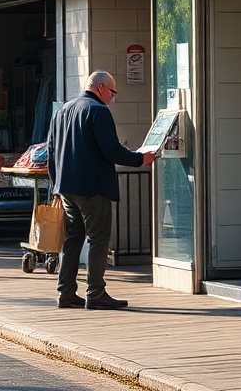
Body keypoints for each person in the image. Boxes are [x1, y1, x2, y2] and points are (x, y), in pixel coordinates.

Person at [47, 70, 157, 310]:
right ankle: (95, 293)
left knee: (73, 239)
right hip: (93, 187)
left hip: (66, 187)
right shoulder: (97, 111)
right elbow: (111, 150)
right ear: (100, 88)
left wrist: (55, 184)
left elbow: (51, 150)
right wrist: (141, 159)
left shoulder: (63, 110)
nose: (113, 97)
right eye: (112, 92)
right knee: (98, 238)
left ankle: (65, 293)